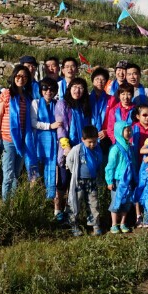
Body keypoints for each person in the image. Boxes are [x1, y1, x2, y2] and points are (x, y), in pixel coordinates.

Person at [0, 64, 39, 200]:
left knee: (16, 174)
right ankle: (5, 203)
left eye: (24, 76)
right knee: (8, 174)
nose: (21, 79)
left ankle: (13, 203)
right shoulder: (6, 94)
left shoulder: (27, 97)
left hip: (23, 140)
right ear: (13, 77)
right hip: (8, 140)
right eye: (18, 76)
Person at [57, 76, 92, 224]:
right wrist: (67, 147)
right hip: (66, 149)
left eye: (81, 87)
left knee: (77, 182)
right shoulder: (62, 104)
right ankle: (58, 210)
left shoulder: (84, 106)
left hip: (81, 150)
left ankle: (72, 212)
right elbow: (61, 127)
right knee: (64, 181)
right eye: (74, 87)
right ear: (69, 88)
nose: (77, 90)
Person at [31, 78, 66, 224]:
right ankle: (34, 206)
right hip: (38, 144)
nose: (48, 92)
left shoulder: (57, 104)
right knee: (35, 176)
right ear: (41, 90)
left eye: (51, 89)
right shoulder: (36, 103)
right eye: (45, 89)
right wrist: (49, 126)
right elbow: (33, 122)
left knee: (53, 175)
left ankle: (55, 209)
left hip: (54, 145)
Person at [66, 125, 104, 235]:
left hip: (92, 181)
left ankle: (95, 225)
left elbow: (99, 162)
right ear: (83, 140)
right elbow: (69, 160)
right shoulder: (77, 149)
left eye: (94, 141)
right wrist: (74, 172)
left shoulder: (98, 150)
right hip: (79, 181)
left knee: (93, 203)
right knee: (75, 203)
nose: (92, 144)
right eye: (89, 142)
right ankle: (74, 225)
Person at [106, 121, 136, 234]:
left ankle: (123, 223)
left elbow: (133, 162)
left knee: (127, 202)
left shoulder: (130, 147)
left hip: (128, 179)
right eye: (126, 130)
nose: (129, 133)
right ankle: (114, 224)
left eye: (130, 130)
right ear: (119, 132)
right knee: (116, 201)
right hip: (118, 180)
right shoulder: (115, 148)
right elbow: (110, 166)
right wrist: (109, 181)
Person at [89, 67, 111, 149]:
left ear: (106, 82)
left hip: (104, 138)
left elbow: (114, 119)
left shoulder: (111, 100)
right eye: (97, 79)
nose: (100, 82)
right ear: (93, 81)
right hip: (88, 136)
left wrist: (106, 131)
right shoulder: (86, 99)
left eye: (103, 79)